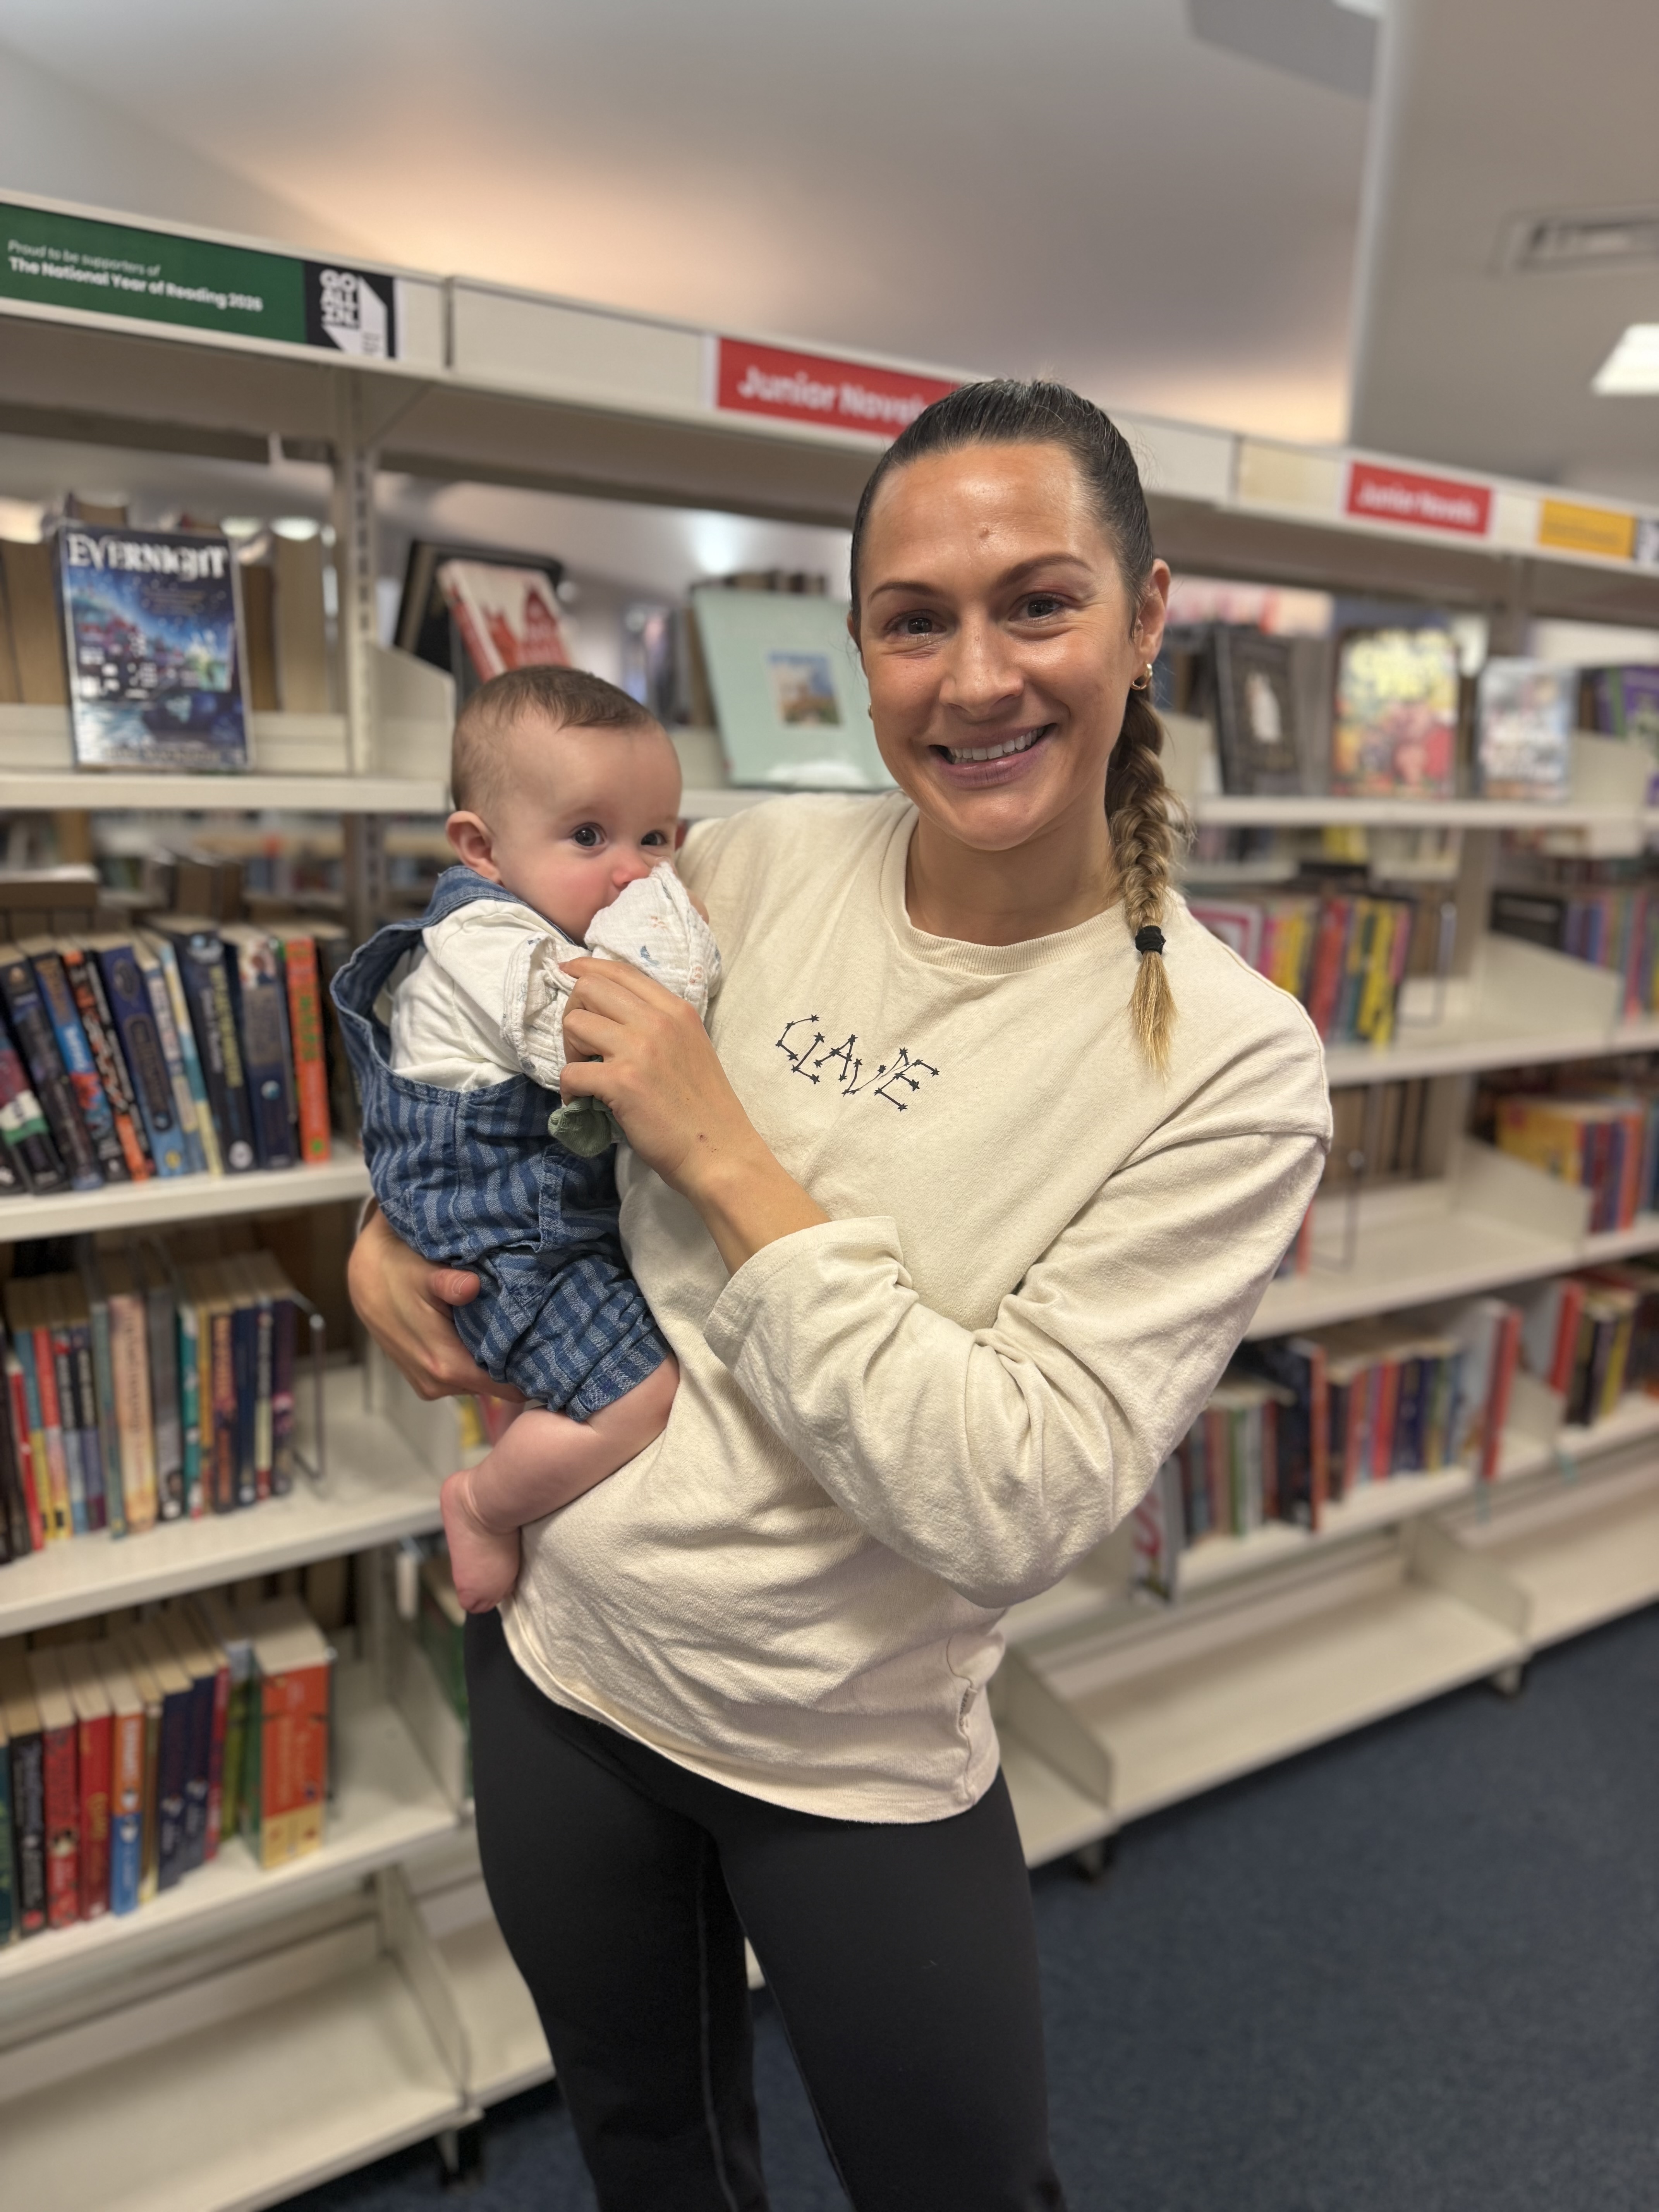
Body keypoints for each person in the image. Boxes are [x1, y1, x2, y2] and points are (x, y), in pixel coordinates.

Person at [350, 380, 1332, 2211]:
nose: (976, 679)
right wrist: (383, 1221)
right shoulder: (743, 861)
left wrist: (728, 1155)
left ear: (1147, 617)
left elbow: (1011, 1499)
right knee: (645, 2148)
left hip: (851, 1749)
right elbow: (484, 1034)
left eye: (1038, 602)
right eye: (914, 620)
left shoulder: (1232, 1062)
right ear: (857, 651)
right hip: (566, 1661)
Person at [330, 665, 719, 1611]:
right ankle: (481, 1505)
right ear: (482, 848)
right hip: (505, 1233)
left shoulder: (547, 924)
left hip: (542, 1217)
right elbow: (595, 1042)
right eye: (589, 836)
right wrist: (676, 943)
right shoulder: (491, 944)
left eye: (657, 837)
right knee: (642, 1398)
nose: (635, 869)